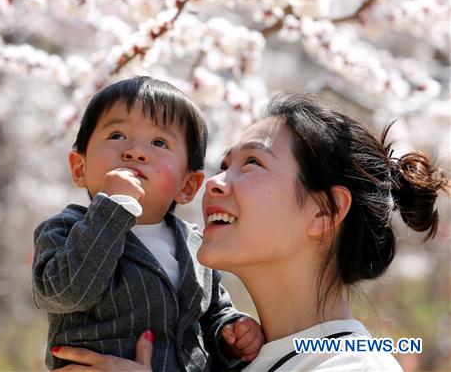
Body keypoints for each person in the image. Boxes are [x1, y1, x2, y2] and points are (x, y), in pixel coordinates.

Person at [52, 93, 447, 371]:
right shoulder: (229, 357)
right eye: (224, 165)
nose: (215, 183)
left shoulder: (353, 366)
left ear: (325, 211)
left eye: (253, 163)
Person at [32, 77, 264, 371]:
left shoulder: (196, 245)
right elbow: (65, 293)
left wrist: (231, 329)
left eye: (158, 142)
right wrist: (113, 210)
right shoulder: (63, 230)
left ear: (188, 186)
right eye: (117, 135)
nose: (134, 152)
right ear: (80, 168)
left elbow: (211, 312)